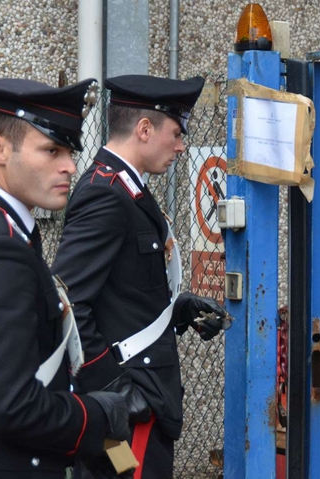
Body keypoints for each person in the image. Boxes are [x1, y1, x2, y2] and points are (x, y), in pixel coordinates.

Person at [0, 78, 147, 478]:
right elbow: (14, 407)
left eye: (70, 151)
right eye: (51, 150)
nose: (71, 165)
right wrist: (99, 415)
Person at [52, 74, 231, 479]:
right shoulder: (106, 194)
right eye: (176, 132)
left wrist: (179, 310)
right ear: (145, 129)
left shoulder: (128, 191)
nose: (182, 146)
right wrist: (111, 388)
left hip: (138, 401)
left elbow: (123, 290)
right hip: (129, 410)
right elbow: (67, 301)